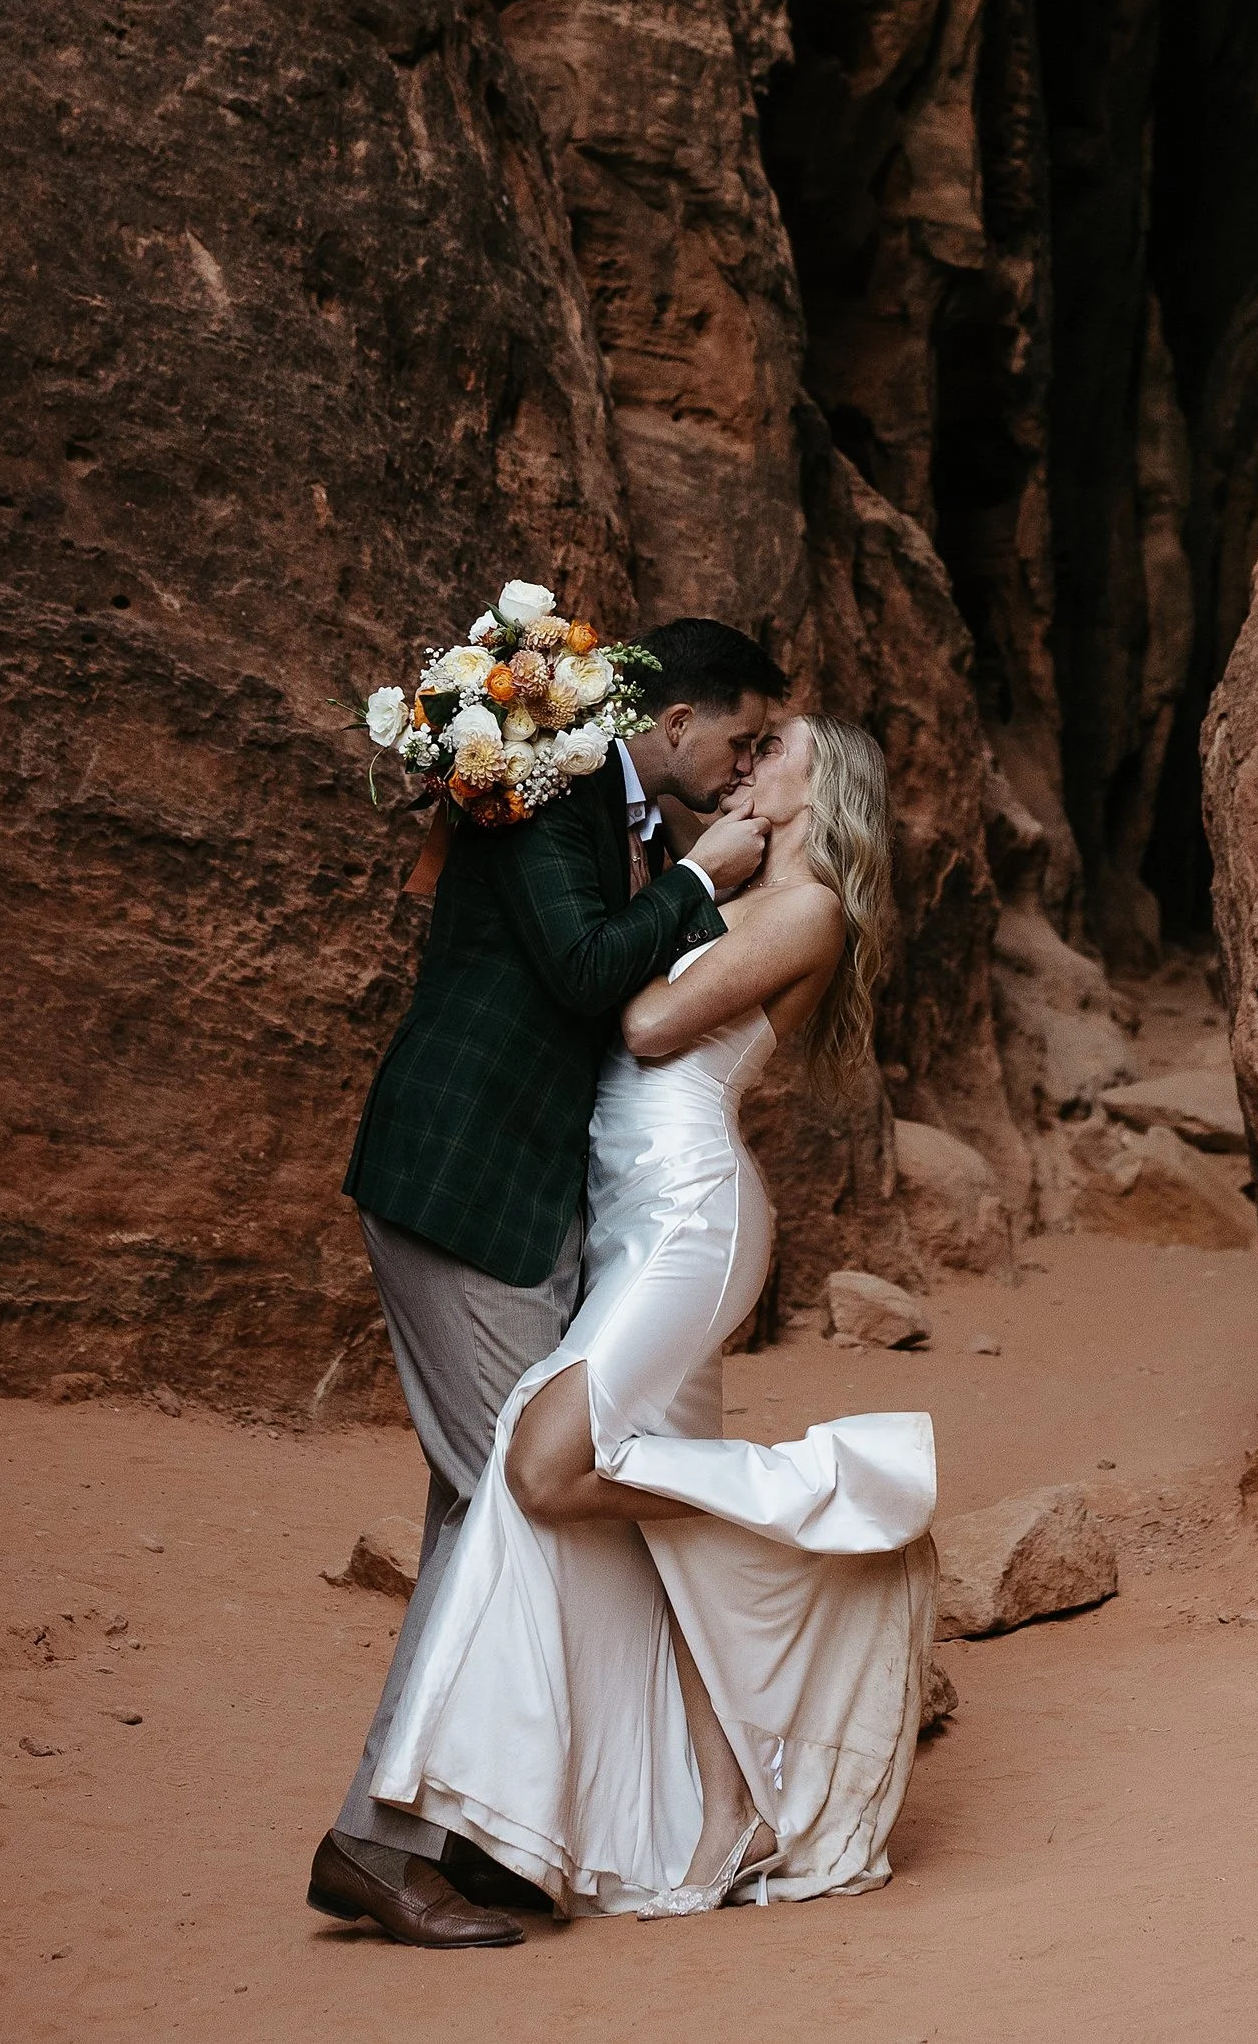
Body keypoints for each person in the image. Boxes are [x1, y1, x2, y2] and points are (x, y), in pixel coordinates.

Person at [367, 712, 937, 1915]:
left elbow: (644, 1022)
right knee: (643, 1518)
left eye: (776, 748)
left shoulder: (805, 907)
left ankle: (828, 1500)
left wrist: (687, 880)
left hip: (689, 1219)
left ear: (819, 787)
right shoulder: (739, 891)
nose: (750, 759)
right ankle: (733, 1808)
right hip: (634, 1214)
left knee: (546, 1462)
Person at [308, 614, 788, 1951]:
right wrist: (703, 879)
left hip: (517, 1200)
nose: (746, 766)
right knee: (510, 1504)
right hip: (462, 1178)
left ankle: (464, 1827)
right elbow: (581, 969)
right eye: (741, 737)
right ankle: (381, 1838)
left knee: (484, 1506)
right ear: (676, 720)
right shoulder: (554, 786)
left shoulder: (606, 802)